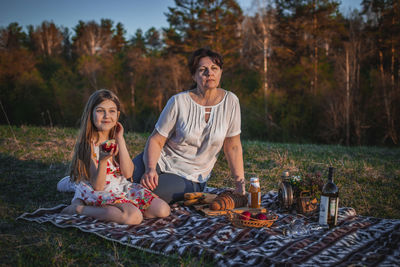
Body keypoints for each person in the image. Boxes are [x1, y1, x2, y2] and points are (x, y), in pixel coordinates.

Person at [132, 48, 246, 204]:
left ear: (220, 72)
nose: (209, 73)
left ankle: (117, 209)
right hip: (159, 160)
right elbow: (156, 140)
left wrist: (240, 182)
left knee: (147, 195)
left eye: (214, 68)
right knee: (120, 178)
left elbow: (233, 146)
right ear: (194, 75)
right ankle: (98, 204)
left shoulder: (231, 101)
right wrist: (150, 169)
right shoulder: (178, 101)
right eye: (202, 70)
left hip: (191, 176)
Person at [61, 89, 170, 225]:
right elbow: (98, 186)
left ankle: (122, 209)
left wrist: (120, 139)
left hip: (120, 187)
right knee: (133, 217)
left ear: (118, 115)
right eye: (100, 110)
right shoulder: (88, 145)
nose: (107, 116)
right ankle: (79, 208)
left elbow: (128, 173)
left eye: (112, 111)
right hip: (100, 191)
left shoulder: (115, 140)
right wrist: (103, 160)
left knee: (163, 209)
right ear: (91, 114)